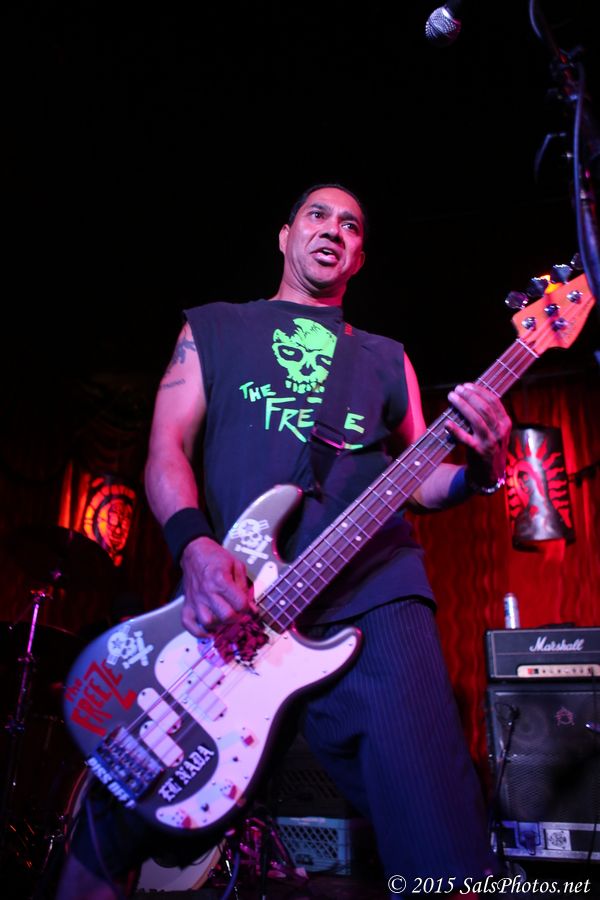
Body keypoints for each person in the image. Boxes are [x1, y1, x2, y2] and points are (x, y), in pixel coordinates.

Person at [56, 183, 511, 898]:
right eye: (317, 215)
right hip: (236, 605)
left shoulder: (385, 357)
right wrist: (195, 548)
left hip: (373, 593)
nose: (333, 229)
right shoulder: (214, 328)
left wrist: (483, 470)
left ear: (358, 257)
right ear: (285, 235)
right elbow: (167, 447)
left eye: (351, 225)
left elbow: (421, 479)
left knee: (439, 842)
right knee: (118, 810)